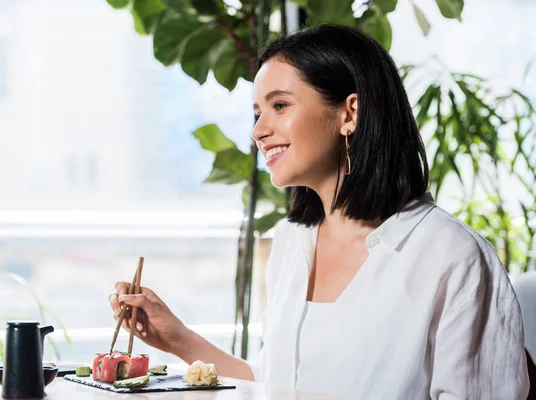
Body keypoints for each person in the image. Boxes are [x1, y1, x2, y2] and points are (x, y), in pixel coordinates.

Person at [109, 25, 529, 399]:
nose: (258, 130)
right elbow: (277, 385)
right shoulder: (294, 239)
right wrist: (176, 337)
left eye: (279, 106)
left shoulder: (450, 256)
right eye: (257, 112)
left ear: (350, 113)